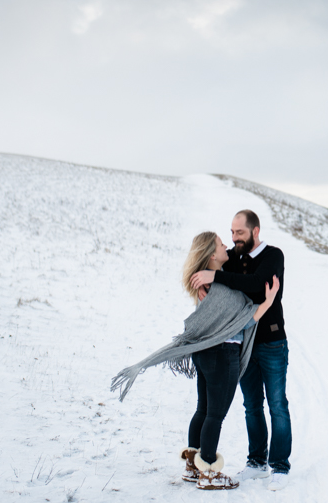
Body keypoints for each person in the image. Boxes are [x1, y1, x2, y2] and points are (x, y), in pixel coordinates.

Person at [111, 231, 279, 491]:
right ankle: (209, 471)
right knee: (216, 414)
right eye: (222, 244)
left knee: (203, 410)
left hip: (205, 354)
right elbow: (244, 321)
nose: (227, 245)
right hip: (223, 355)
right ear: (212, 255)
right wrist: (268, 301)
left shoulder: (210, 285)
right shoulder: (223, 289)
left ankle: (192, 466)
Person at [190, 209, 292, 491]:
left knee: (277, 405)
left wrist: (216, 278)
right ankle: (257, 462)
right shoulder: (233, 256)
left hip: (271, 342)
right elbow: (214, 268)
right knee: (251, 406)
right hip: (243, 346)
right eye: (232, 233)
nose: (234, 238)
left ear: (255, 231)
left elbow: (257, 285)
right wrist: (205, 285)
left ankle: (280, 466)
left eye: (240, 233)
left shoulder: (274, 255)